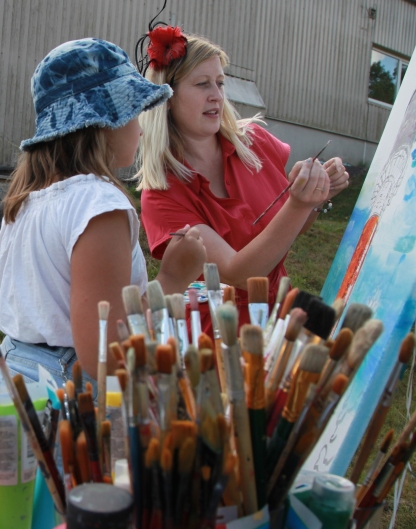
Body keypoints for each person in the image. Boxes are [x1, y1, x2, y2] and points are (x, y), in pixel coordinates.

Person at [0, 38, 208, 452]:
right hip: (57, 408)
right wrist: (173, 277)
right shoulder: (99, 205)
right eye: (133, 113)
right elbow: (101, 352)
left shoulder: (24, 202)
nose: (140, 125)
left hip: (1, 390)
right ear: (104, 122)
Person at [134, 27, 350, 335]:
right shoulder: (161, 194)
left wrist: (315, 196)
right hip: (223, 335)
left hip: (283, 310)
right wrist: (298, 203)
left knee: (355, 351)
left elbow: (291, 229)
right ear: (167, 98)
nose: (217, 96)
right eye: (202, 84)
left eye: (220, 83)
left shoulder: (255, 142)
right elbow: (239, 274)